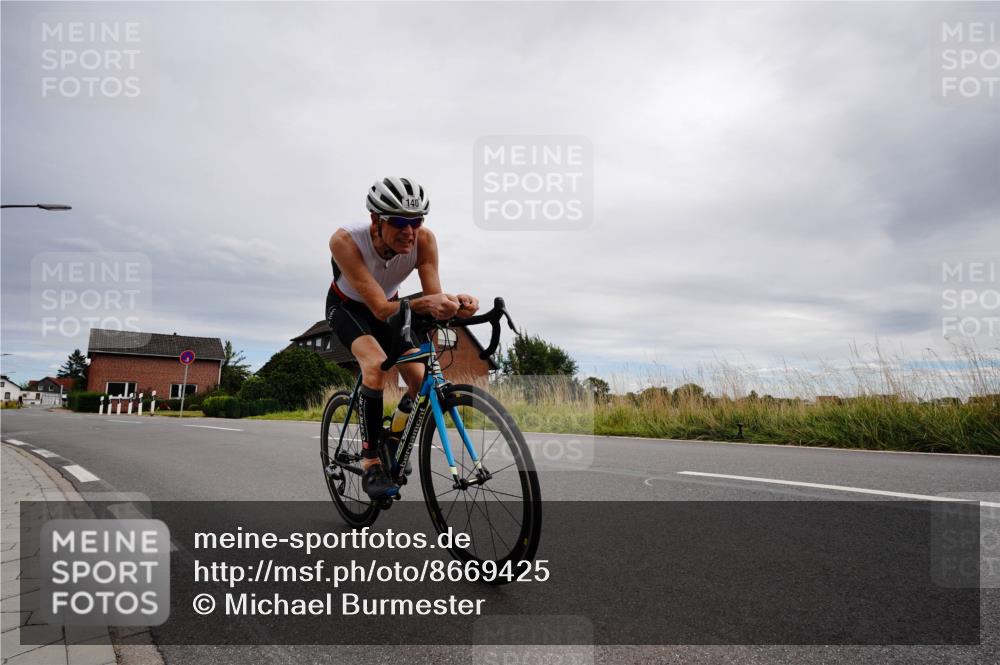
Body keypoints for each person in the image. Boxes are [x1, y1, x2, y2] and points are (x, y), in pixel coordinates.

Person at [326, 177, 479, 499]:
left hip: (393, 307)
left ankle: (392, 440)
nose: (409, 231)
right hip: (349, 308)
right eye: (398, 222)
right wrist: (430, 303)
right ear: (375, 220)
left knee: (419, 381)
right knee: (375, 364)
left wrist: (455, 304)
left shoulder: (425, 241)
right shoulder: (345, 241)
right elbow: (379, 309)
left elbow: (434, 300)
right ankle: (371, 462)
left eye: (416, 221)